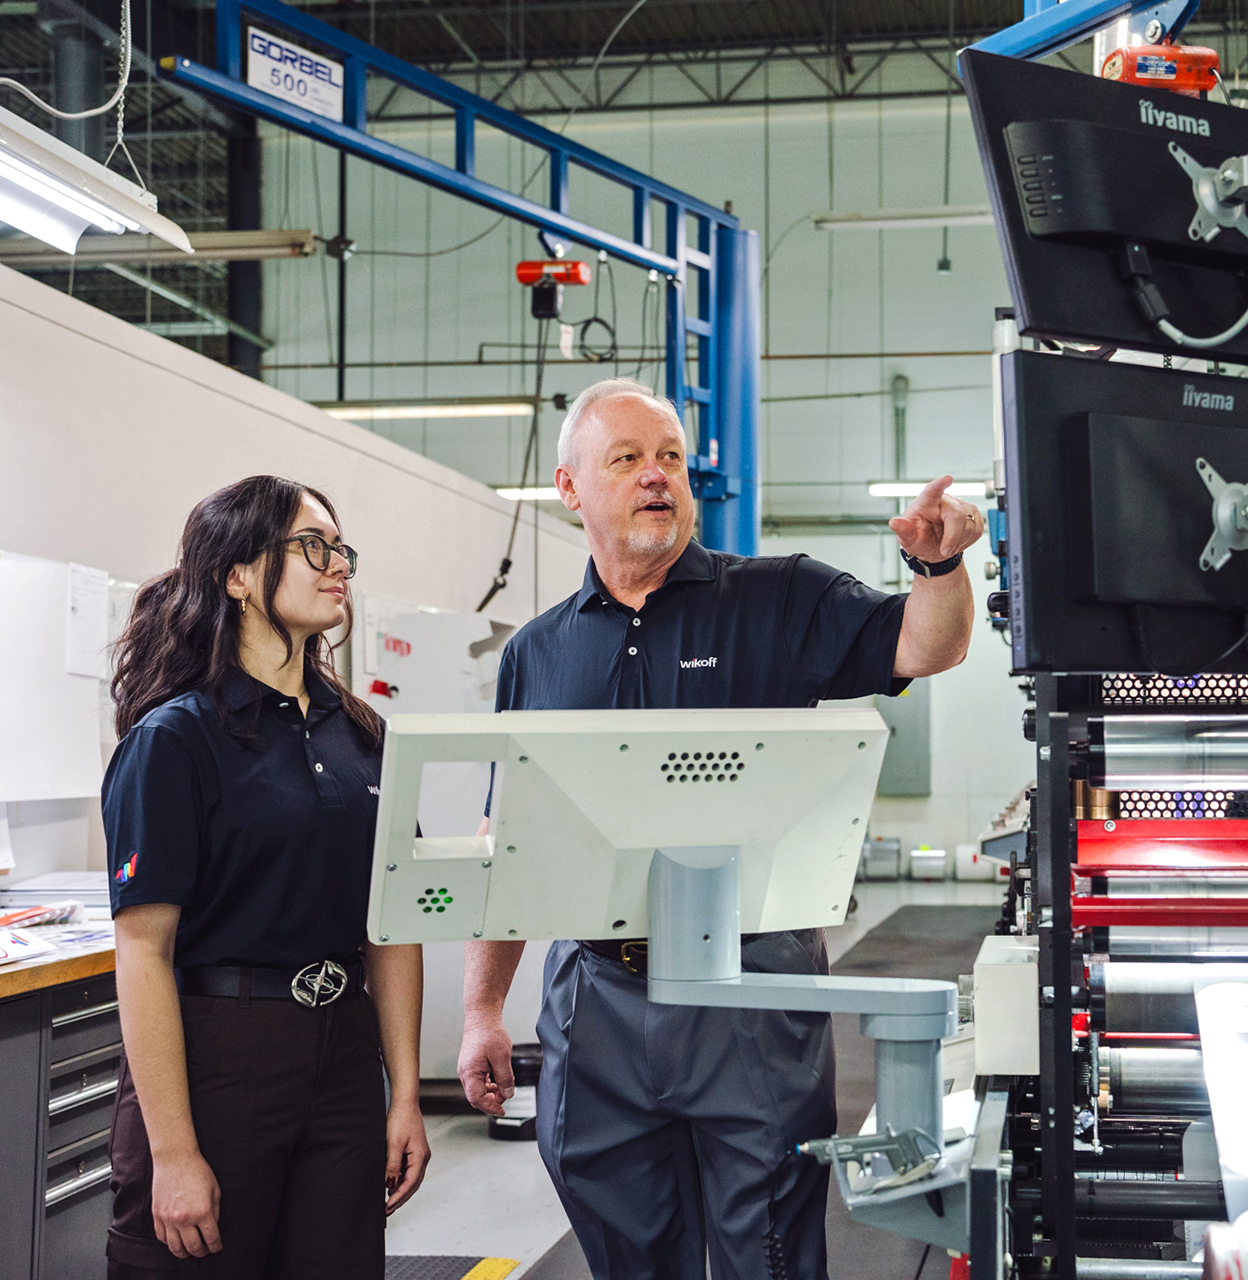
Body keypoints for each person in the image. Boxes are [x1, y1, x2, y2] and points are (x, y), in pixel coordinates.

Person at [457, 377, 981, 1279]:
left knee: (767, 1253)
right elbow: (514, 842)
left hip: (752, 988)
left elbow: (926, 646)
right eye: (626, 459)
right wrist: (479, 1010)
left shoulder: (777, 599)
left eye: (669, 458)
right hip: (597, 996)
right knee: (627, 1251)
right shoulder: (536, 653)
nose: (656, 476)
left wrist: (939, 567)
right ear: (570, 487)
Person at [103, 476, 429, 1280]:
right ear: (238, 574)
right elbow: (143, 951)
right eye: (312, 546)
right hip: (219, 1057)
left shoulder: (361, 733)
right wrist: (173, 1153)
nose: (338, 564)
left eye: (341, 547)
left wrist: (407, 1092)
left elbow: (391, 924)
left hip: (342, 1057)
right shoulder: (176, 739)